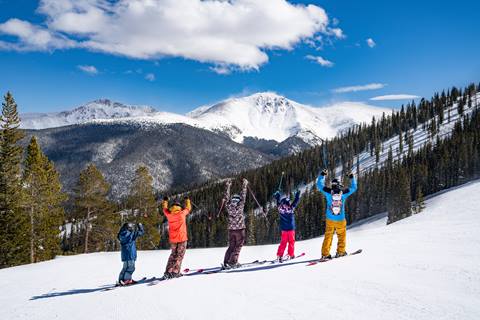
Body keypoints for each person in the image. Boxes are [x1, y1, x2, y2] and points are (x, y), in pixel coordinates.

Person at [317, 169, 357, 260]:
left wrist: (322, 175)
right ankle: (341, 252)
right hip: (340, 219)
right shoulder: (343, 193)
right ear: (339, 185)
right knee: (341, 235)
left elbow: (319, 185)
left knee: (328, 235)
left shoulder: (328, 192)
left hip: (330, 219)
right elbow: (354, 188)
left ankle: (325, 254)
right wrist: (351, 177)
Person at [162, 196, 192, 279]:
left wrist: (165, 201)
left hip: (173, 239)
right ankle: (175, 272)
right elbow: (188, 208)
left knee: (173, 255)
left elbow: (165, 209)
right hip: (182, 238)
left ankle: (168, 271)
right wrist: (187, 200)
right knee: (179, 255)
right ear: (179, 207)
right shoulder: (182, 213)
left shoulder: (169, 215)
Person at [222, 178, 248, 269]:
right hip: (240, 230)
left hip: (231, 230)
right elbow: (243, 195)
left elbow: (226, 197)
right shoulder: (240, 206)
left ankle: (226, 261)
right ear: (238, 200)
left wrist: (228, 186)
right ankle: (233, 262)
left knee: (231, 246)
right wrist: (244, 184)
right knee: (238, 246)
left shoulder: (228, 206)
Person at [274, 189, 300, 262]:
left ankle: (280, 255)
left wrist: (277, 196)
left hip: (284, 229)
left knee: (283, 242)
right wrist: (297, 195)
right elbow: (296, 201)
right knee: (291, 242)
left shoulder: (280, 209)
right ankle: (291, 254)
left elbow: (278, 203)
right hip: (291, 229)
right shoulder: (291, 209)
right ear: (288, 203)